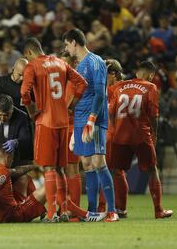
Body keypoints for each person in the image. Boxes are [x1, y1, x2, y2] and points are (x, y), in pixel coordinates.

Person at [21, 37, 94, 222]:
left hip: (46, 121)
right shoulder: (60, 62)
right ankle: (65, 211)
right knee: (61, 169)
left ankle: (53, 213)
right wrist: (71, 105)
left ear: (29, 53)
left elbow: (24, 93)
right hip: (63, 121)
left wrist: (32, 112)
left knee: (48, 168)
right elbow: (82, 83)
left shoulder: (32, 66)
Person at [63, 28, 118, 222]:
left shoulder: (95, 62)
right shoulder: (79, 66)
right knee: (86, 164)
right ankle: (93, 211)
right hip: (80, 119)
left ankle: (112, 211)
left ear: (74, 42)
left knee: (98, 162)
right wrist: (74, 130)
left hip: (93, 120)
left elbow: (100, 93)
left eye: (66, 44)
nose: (66, 48)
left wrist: (92, 119)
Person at [108, 61, 173, 219]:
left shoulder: (117, 87)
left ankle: (121, 209)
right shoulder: (150, 87)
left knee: (117, 171)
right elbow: (153, 115)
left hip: (120, 135)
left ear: (137, 72)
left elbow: (111, 111)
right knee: (152, 170)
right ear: (151, 75)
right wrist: (154, 134)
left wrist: (114, 128)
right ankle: (158, 210)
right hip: (141, 135)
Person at [0, 145, 106, 223]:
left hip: (3, 214)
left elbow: (16, 171)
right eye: (11, 158)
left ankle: (52, 211)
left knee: (24, 177)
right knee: (52, 184)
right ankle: (84, 214)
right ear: (7, 157)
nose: (12, 161)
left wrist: (34, 165)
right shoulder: (2, 172)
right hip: (14, 214)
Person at [97, 59, 129, 217]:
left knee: (104, 169)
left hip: (112, 134)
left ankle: (103, 207)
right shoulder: (126, 88)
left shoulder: (113, 90)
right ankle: (121, 208)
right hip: (123, 135)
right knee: (117, 171)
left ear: (113, 74)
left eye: (104, 73)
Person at [0, 57, 34, 165]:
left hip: (22, 127)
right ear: (13, 68)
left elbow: (34, 106)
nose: (22, 78)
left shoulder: (30, 86)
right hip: (3, 125)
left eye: (25, 75)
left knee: (23, 160)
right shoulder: (1, 82)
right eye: (20, 74)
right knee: (2, 159)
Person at [58, 50, 82, 207]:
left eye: (66, 63)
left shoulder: (74, 82)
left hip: (72, 127)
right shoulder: (60, 81)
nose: (62, 66)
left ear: (74, 64)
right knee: (61, 168)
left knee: (72, 168)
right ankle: (65, 208)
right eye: (61, 63)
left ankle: (74, 208)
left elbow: (66, 107)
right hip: (60, 126)